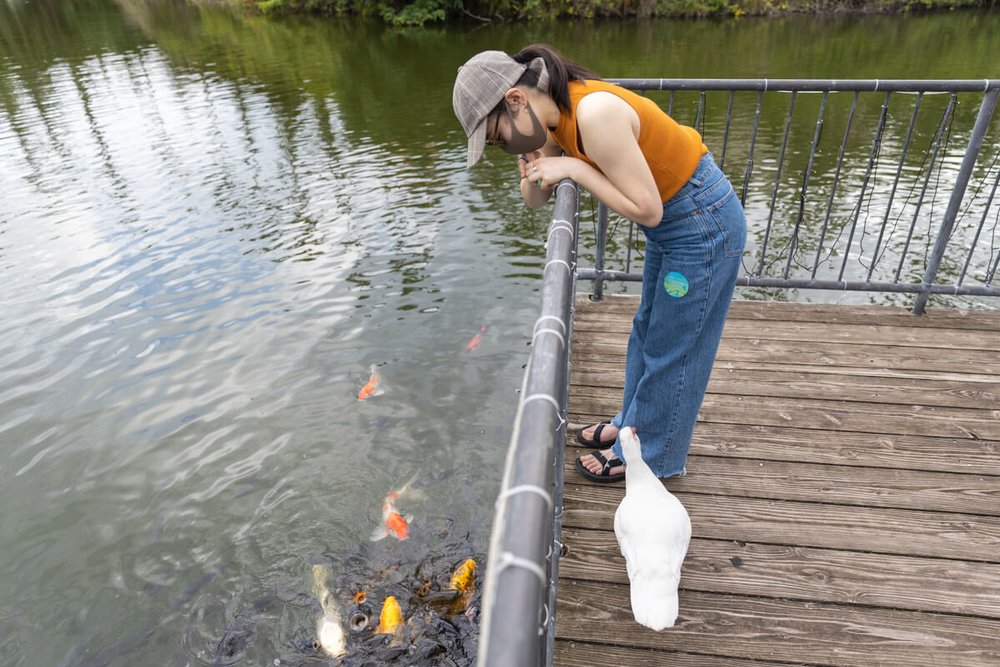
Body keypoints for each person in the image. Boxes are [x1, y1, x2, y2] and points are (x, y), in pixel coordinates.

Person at [452, 44, 745, 482]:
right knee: (648, 328)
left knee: (675, 347)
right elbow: (535, 199)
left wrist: (575, 169)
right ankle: (631, 423)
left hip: (702, 226)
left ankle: (653, 458)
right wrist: (533, 161)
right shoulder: (553, 119)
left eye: (497, 137)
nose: (500, 146)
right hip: (678, 228)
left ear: (515, 100)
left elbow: (648, 210)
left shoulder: (593, 113)